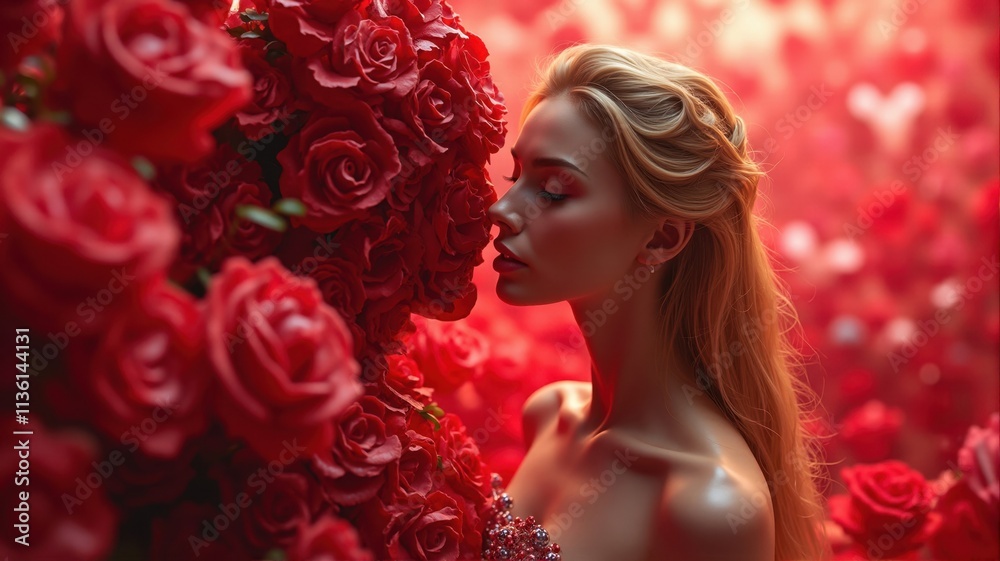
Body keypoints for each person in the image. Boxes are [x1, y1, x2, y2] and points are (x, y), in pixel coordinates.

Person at [483, 44, 832, 561]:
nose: (502, 210)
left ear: (662, 237)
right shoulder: (548, 415)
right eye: (517, 177)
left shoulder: (709, 505)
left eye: (554, 191)